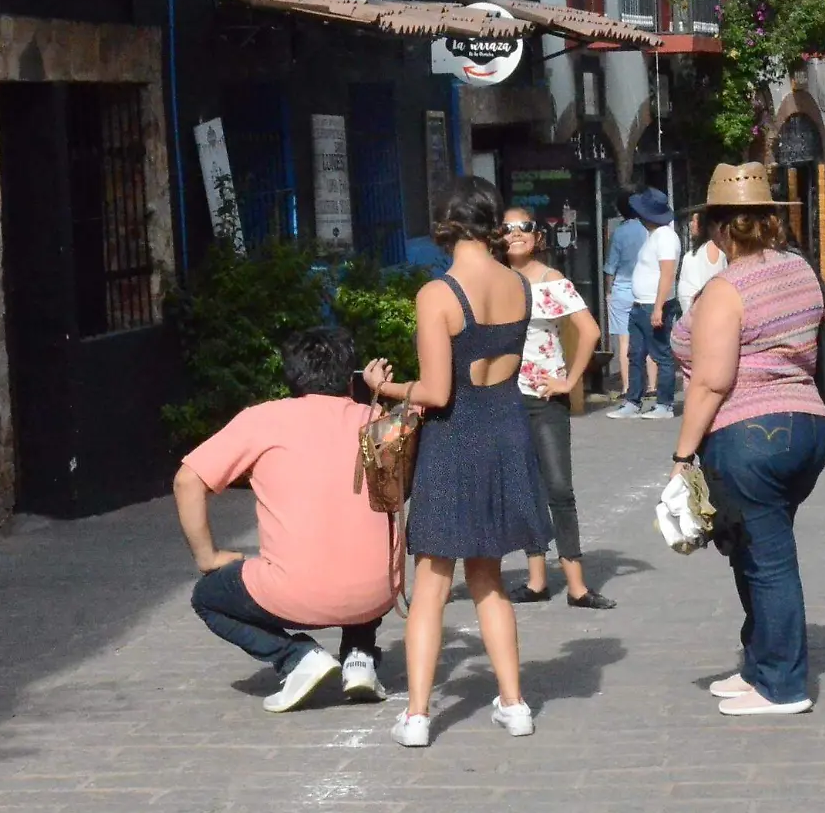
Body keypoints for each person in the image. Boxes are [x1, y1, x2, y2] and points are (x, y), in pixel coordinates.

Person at [361, 177, 553, 748]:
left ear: (444, 225)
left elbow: (438, 392)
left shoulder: (437, 294)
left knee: (432, 582)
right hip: (508, 432)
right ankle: (514, 704)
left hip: (455, 440)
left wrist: (385, 387)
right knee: (489, 576)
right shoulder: (520, 284)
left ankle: (418, 715)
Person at [667, 162, 825, 716]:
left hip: (751, 431)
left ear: (717, 229)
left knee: (767, 557)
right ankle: (760, 665)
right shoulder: (799, 272)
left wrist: (682, 456)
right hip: (807, 427)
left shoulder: (724, 290)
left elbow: (712, 381)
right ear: (769, 221)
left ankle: (783, 684)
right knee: (754, 549)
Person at [174, 328, 397, 714]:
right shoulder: (378, 420)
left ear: (291, 374)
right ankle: (359, 655)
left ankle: (296, 656)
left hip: (293, 595)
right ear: (350, 375)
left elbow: (187, 479)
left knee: (207, 597)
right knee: (358, 535)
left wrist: (207, 555)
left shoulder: (263, 419)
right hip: (378, 592)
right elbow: (394, 497)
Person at [499, 208, 616, 610]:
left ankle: (577, 587)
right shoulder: (495, 282)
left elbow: (591, 331)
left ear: (537, 236)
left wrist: (569, 381)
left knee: (558, 489)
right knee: (525, 488)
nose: (515, 234)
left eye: (523, 227)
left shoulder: (553, 282)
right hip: (505, 399)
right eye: (506, 228)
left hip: (546, 399)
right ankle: (536, 581)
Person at [606, 187, 681, 420]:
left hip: (653, 305)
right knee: (635, 353)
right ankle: (633, 400)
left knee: (661, 355)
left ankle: (664, 404)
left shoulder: (666, 237)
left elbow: (667, 274)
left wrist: (658, 307)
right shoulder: (654, 235)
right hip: (640, 303)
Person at [602, 192, 649, 397]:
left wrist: (608, 292)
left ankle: (627, 387)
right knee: (649, 339)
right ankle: (653, 385)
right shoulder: (648, 231)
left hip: (622, 288)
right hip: (646, 289)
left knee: (624, 341)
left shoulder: (618, 234)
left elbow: (610, 266)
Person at [677, 210, 730, 308]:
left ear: (703, 225)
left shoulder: (711, 246)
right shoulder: (701, 247)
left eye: (694, 221)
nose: (691, 225)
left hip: (699, 308)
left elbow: (711, 276)